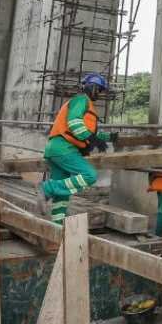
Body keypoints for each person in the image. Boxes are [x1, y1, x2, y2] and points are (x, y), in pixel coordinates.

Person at [34, 73, 114, 225]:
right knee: (89, 175)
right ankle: (47, 188)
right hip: (64, 148)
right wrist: (90, 138)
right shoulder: (81, 100)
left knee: (62, 195)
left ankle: (57, 226)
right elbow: (74, 122)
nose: (100, 94)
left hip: (55, 149)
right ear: (92, 87)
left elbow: (92, 132)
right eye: (100, 90)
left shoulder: (83, 104)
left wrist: (108, 138)